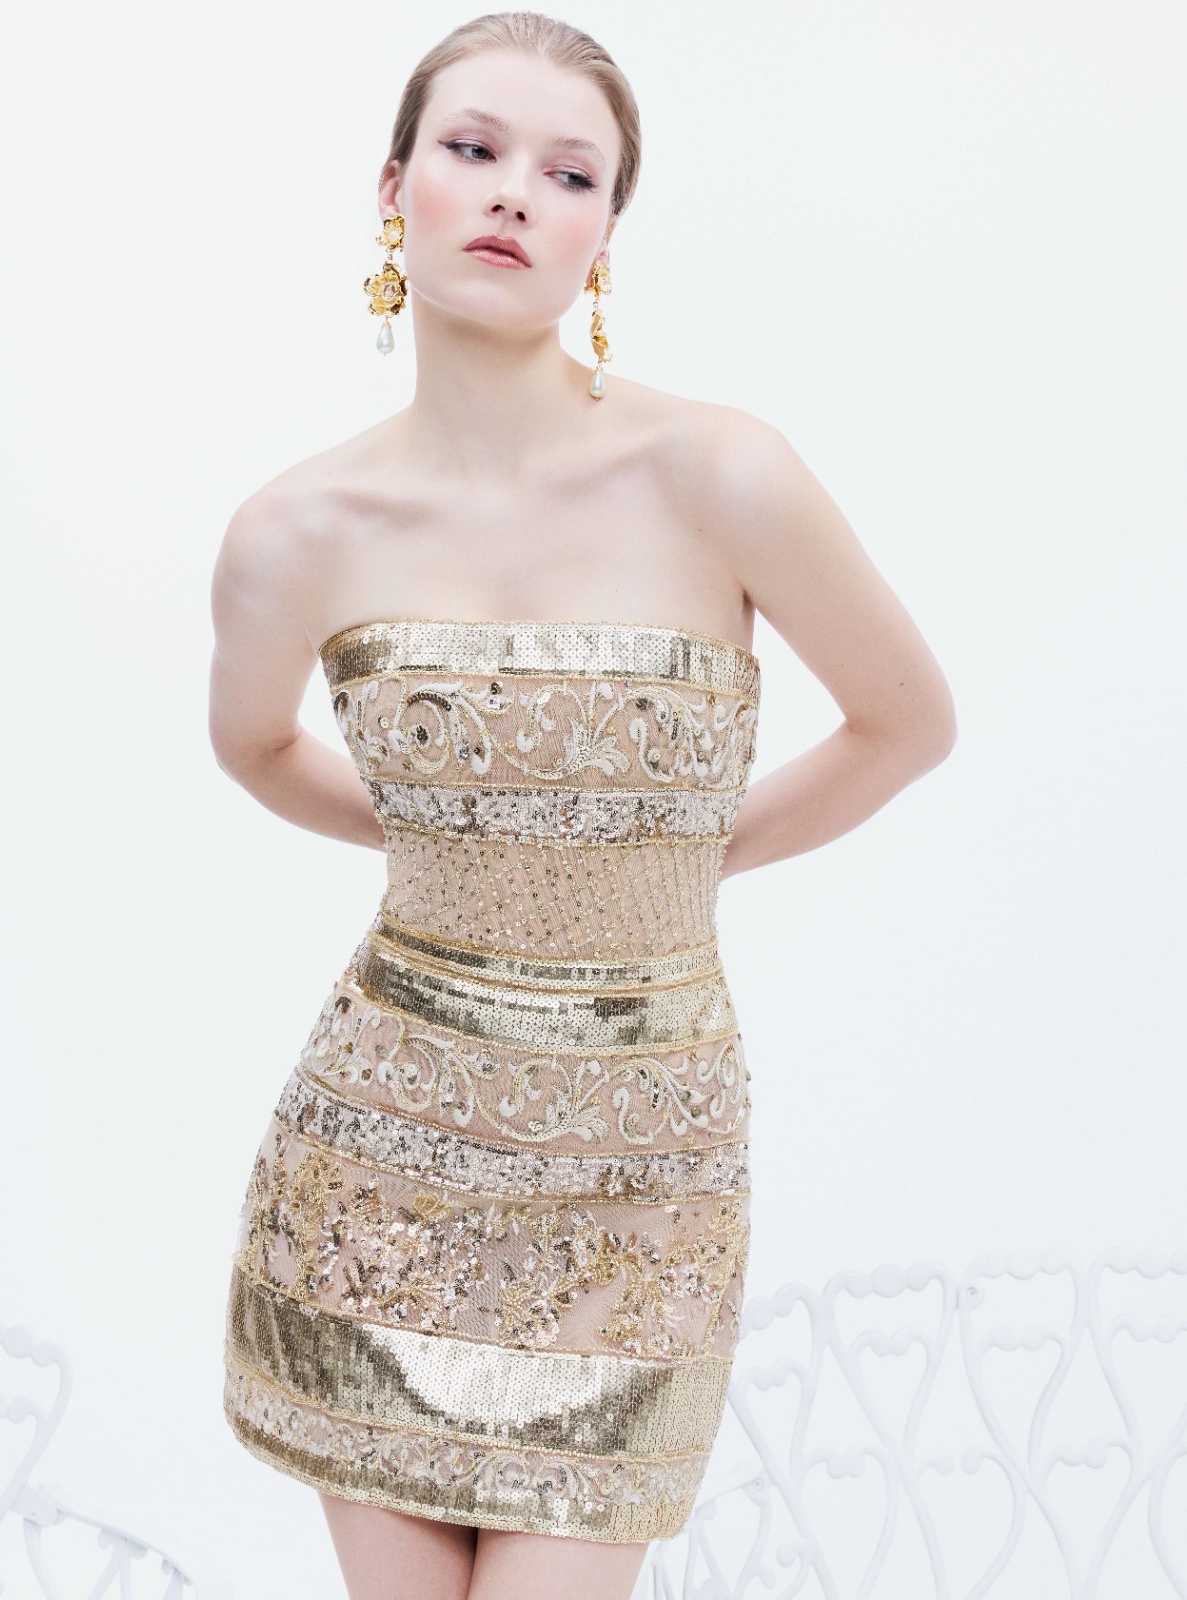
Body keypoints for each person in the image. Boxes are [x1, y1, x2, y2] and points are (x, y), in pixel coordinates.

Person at [207, 12, 956, 1600]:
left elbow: (907, 724)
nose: (514, 195)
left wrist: (671, 868)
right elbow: (255, 748)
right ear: (396, 187)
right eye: (474, 149)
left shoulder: (723, 474)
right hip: (382, 1164)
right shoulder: (296, 531)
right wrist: (466, 855)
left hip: (642, 1180)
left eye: (570, 173)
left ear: (607, 228)